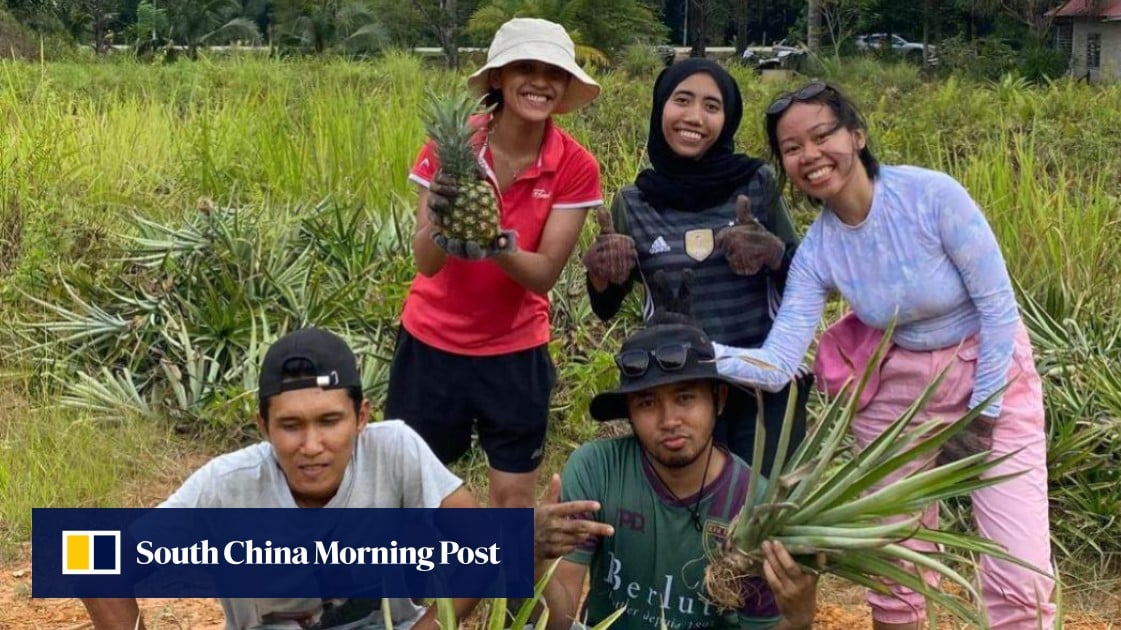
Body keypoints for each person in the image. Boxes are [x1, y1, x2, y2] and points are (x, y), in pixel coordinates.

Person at [711, 80, 1056, 629]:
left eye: (822, 135)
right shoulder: (819, 250)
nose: (810, 155)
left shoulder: (932, 197)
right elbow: (778, 364)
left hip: (989, 371)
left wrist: (984, 413)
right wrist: (700, 355)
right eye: (792, 148)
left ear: (857, 135)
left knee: (1020, 572)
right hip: (896, 389)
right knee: (895, 568)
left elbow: (998, 309)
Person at [82, 327, 480, 630]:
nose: (312, 445)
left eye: (329, 421)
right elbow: (90, 563)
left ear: (361, 417)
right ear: (264, 426)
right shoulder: (228, 485)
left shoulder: (393, 451)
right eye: (290, 425)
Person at [389, 17, 603, 509]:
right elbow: (426, 263)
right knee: (418, 493)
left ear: (565, 85)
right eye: (525, 68)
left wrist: (495, 244)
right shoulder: (452, 147)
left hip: (515, 350)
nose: (540, 82)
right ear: (499, 77)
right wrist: (440, 219)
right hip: (430, 342)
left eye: (554, 72)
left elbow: (544, 274)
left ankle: (501, 564)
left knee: (512, 498)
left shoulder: (576, 165)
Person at [580, 58, 803, 472]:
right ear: (660, 107)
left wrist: (773, 252)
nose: (694, 117)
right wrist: (600, 273)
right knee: (691, 499)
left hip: (761, 384)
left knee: (766, 500)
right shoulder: (634, 201)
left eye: (711, 106)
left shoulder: (757, 183)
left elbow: (805, 279)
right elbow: (607, 305)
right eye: (682, 100)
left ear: (728, 118)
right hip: (676, 386)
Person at [531, 314, 819, 630]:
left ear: (718, 400)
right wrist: (529, 555)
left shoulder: (755, 506)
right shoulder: (597, 469)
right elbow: (555, 623)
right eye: (647, 403)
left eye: (685, 397)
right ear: (629, 413)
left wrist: (798, 619)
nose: (669, 420)